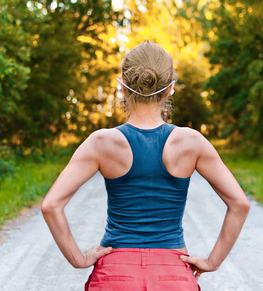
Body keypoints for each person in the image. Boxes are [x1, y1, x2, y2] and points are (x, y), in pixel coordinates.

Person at [41, 41, 250, 290]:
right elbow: (240, 204)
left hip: (114, 274)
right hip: (174, 274)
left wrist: (80, 259)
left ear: (122, 86)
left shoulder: (102, 142)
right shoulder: (191, 142)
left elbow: (51, 205)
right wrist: (212, 261)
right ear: (170, 88)